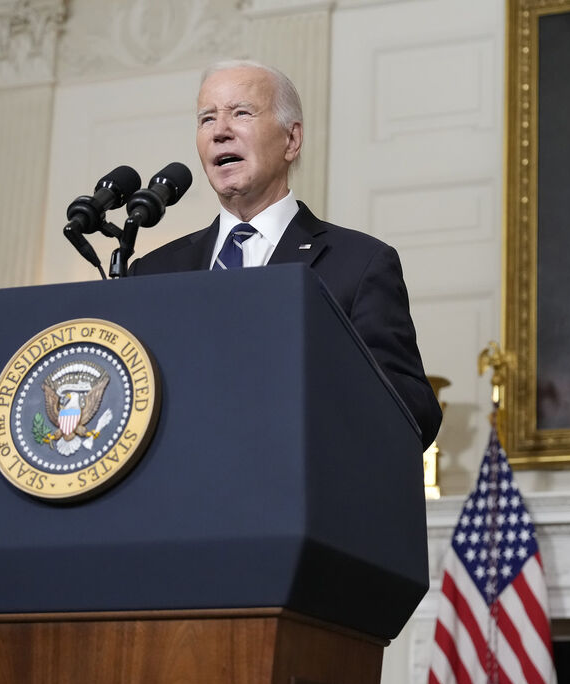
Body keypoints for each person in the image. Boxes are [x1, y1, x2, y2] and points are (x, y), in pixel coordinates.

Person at [131, 60, 441, 449]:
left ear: (291, 140)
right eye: (206, 119)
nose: (220, 132)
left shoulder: (359, 264)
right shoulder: (153, 272)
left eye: (241, 113)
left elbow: (413, 411)